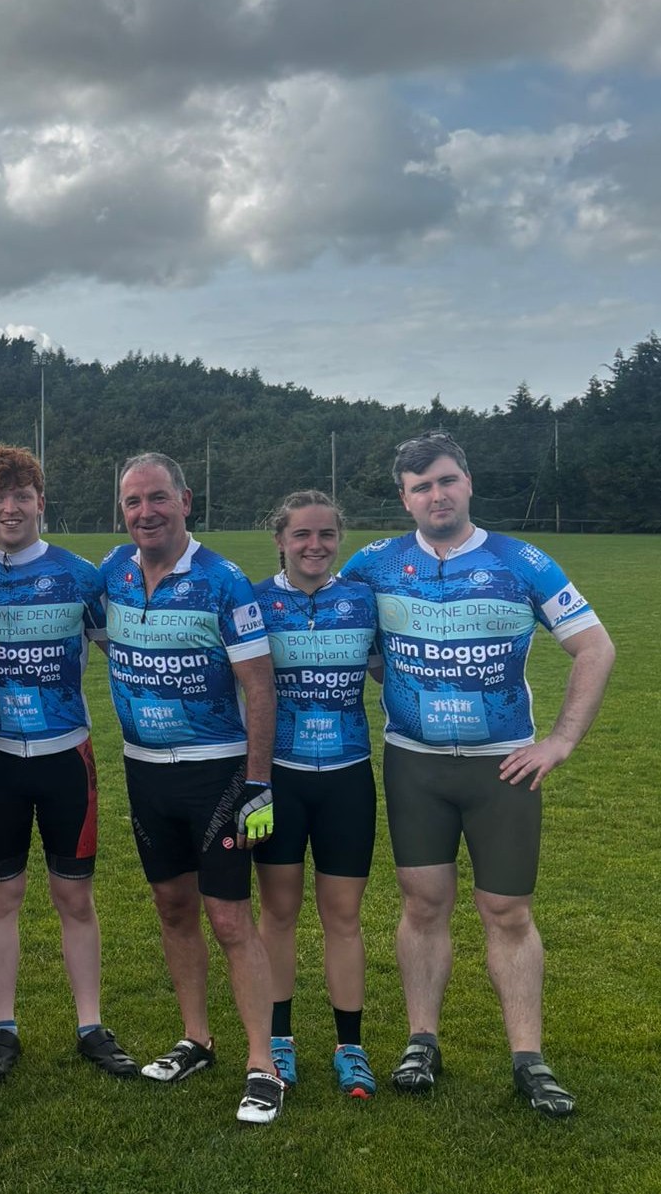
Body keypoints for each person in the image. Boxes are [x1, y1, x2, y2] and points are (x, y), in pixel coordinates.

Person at [343, 432, 614, 1114]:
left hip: (503, 769)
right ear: (404, 498)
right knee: (422, 903)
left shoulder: (521, 561)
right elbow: (345, 638)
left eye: (445, 481)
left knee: (507, 910)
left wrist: (560, 740)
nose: (435, 495)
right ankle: (420, 1042)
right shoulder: (372, 563)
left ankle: (529, 1059)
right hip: (415, 764)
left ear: (466, 482)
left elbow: (594, 646)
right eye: (420, 487)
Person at [100, 453, 284, 1124]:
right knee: (172, 905)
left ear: (184, 500)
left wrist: (257, 783)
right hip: (143, 769)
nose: (145, 511)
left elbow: (259, 687)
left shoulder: (223, 581)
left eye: (157, 498)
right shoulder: (113, 572)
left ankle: (262, 1063)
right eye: (132, 501)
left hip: (216, 771)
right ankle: (196, 1038)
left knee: (229, 917)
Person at [0, 444, 137, 1083]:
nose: (10, 507)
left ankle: (91, 1026)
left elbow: (126, 652)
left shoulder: (80, 576)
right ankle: (3, 1028)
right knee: (1, 896)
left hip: (66, 756)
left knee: (73, 896)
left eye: (21, 496)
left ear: (40, 503)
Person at [253, 492, 380, 1099]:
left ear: (339, 539)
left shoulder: (363, 599)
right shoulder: (255, 601)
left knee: (343, 916)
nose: (315, 545)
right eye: (301, 534)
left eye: (326, 534)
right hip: (280, 777)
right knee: (278, 912)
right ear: (280, 540)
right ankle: (278, 1038)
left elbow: (389, 668)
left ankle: (350, 1046)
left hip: (348, 778)